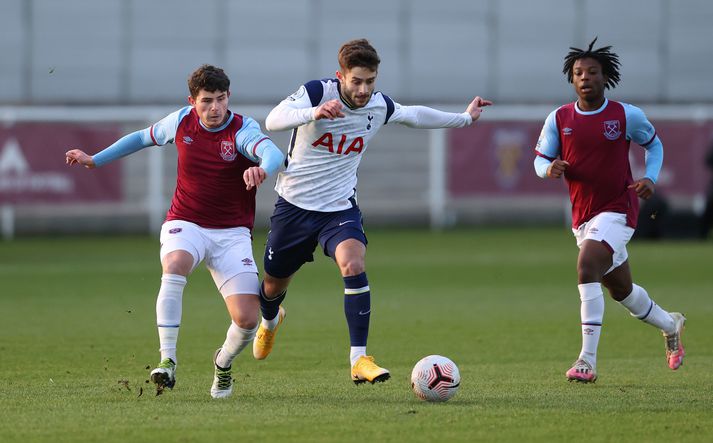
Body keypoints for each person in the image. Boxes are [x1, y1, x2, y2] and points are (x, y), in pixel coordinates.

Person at [251, 38, 492, 385]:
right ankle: (271, 321)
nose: (364, 90)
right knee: (273, 285)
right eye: (357, 81)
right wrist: (313, 113)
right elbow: (274, 120)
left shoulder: (379, 106)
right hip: (294, 207)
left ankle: (358, 359)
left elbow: (414, 115)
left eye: (370, 81)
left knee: (354, 263)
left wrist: (465, 119)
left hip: (338, 208)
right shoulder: (317, 93)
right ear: (341, 77)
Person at [65, 65, 284, 398]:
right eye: (206, 101)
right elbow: (140, 138)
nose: (215, 108)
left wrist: (261, 169)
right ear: (192, 101)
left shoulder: (241, 129)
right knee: (176, 263)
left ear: (229, 97)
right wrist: (95, 159)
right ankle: (167, 360)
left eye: (221, 99)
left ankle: (222, 363)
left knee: (247, 320)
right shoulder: (181, 121)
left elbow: (272, 153)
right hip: (187, 222)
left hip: (232, 234)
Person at [533, 38, 686, 383]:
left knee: (587, 265)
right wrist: (549, 168)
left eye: (592, 72)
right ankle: (670, 323)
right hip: (583, 217)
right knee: (623, 292)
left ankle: (586, 361)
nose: (584, 77)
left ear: (605, 78)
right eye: (578, 72)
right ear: (572, 80)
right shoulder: (559, 118)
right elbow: (539, 161)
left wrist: (651, 177)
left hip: (619, 208)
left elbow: (654, 144)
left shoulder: (625, 115)